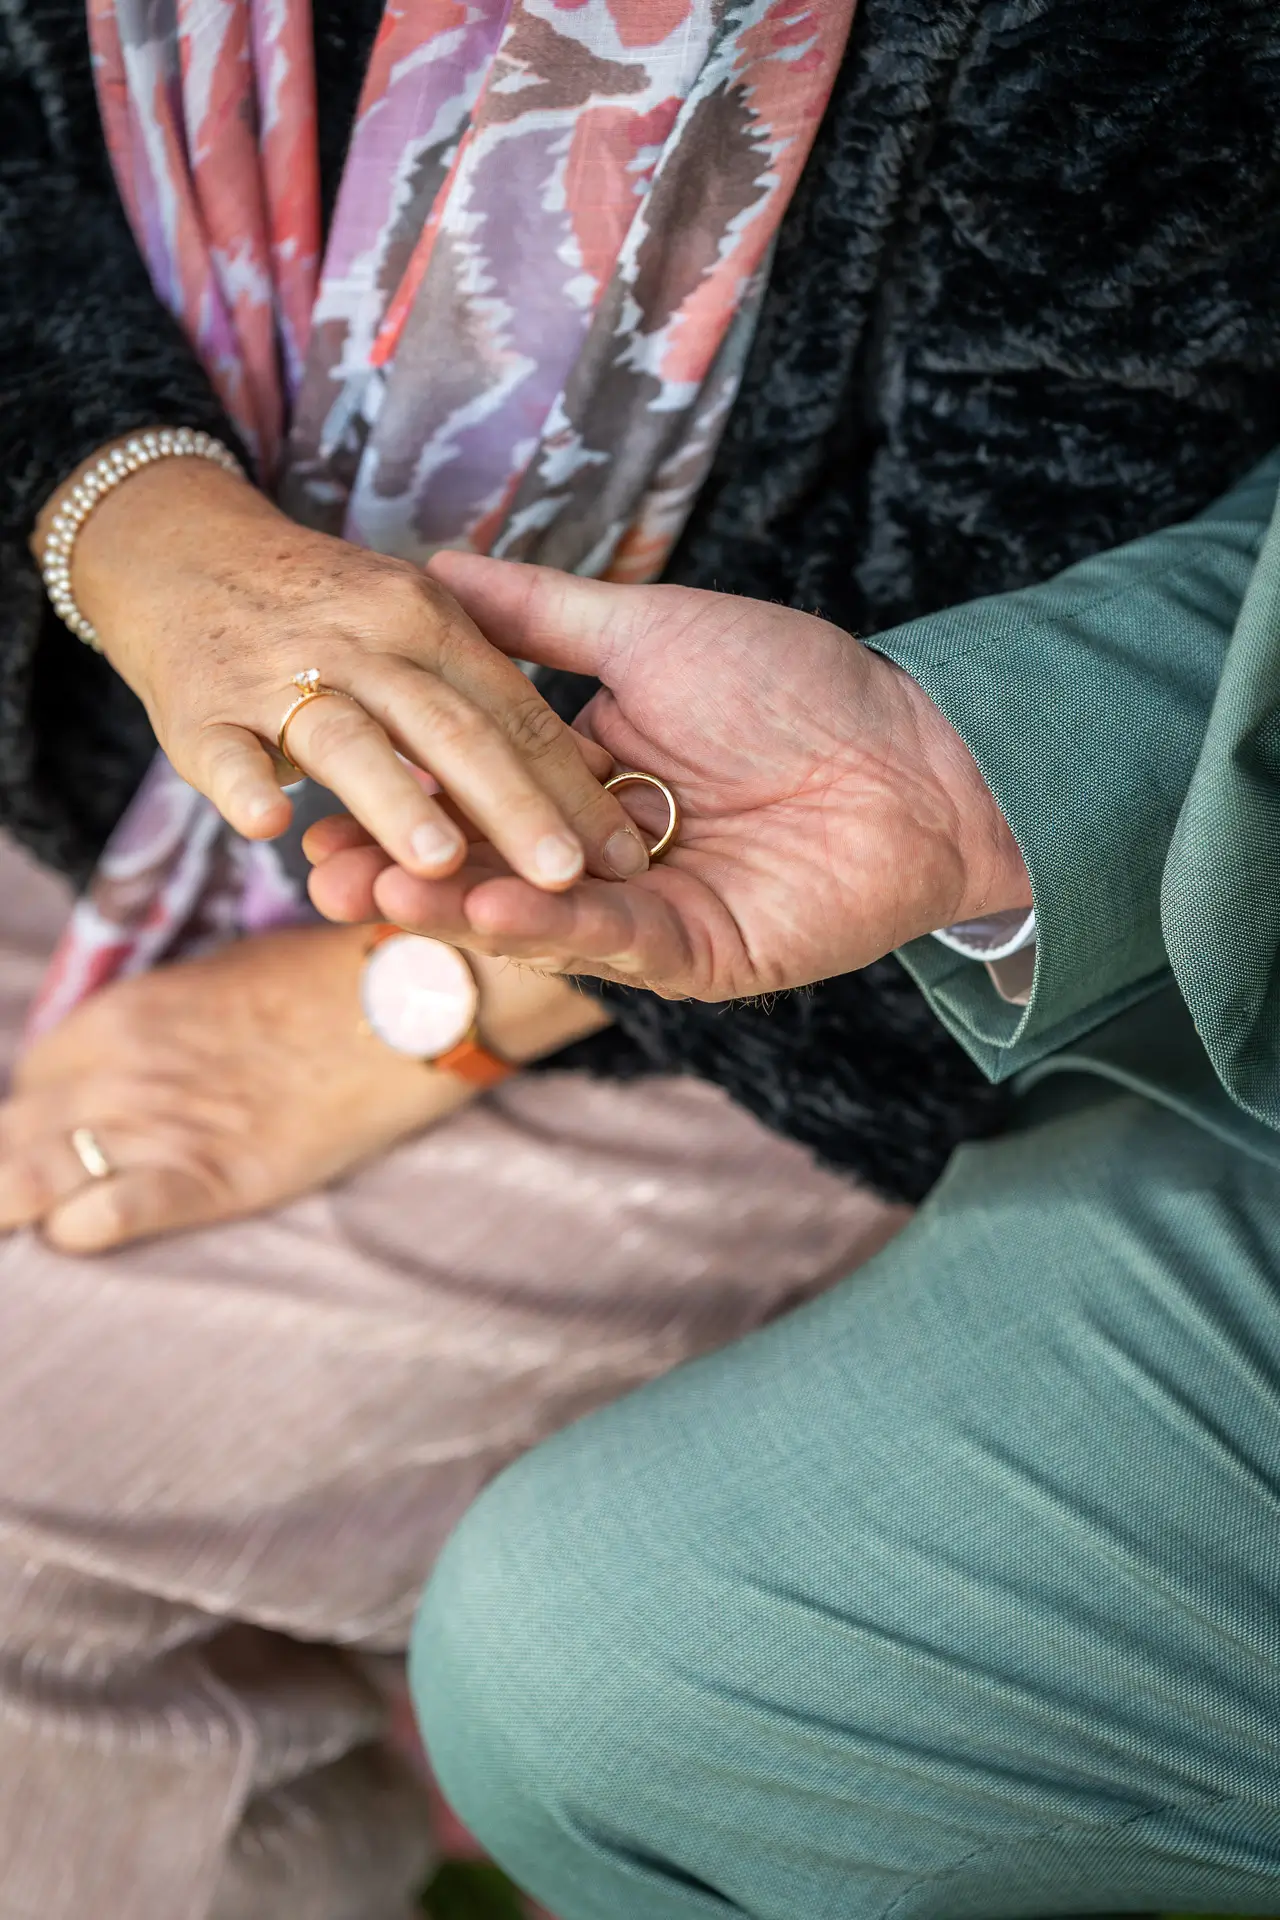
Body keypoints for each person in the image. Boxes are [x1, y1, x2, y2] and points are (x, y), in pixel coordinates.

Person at [3, 1, 1279, 1917]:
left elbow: (1061, 579)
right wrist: (130, 512)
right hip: (97, 738)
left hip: (775, 980)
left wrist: (433, 999)